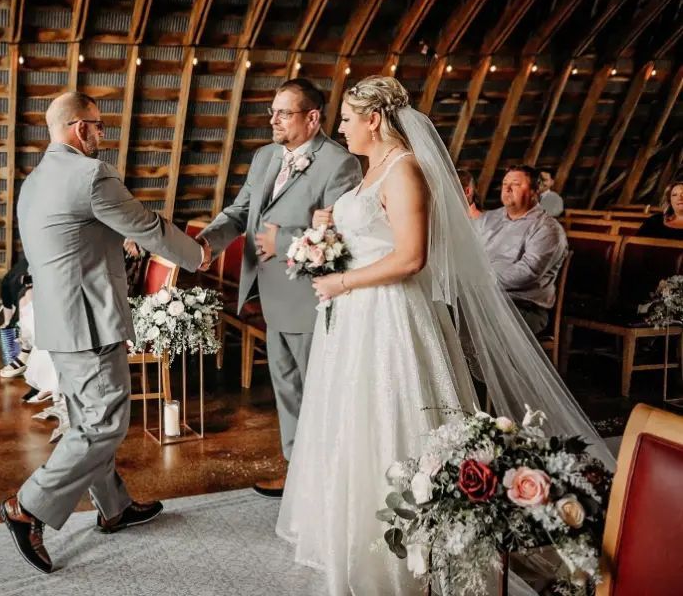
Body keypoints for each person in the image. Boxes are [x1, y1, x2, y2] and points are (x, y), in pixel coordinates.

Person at [277, 77, 612, 596]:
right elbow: (372, 237)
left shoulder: (406, 170)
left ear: (374, 120)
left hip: (390, 316)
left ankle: (411, 545)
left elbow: (411, 258)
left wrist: (340, 278)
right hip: (354, 316)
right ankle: (353, 531)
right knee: (350, 420)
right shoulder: (371, 172)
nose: (339, 126)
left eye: (346, 117)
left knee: (393, 416)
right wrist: (328, 233)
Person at [0, 92, 210, 574]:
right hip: (90, 320)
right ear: (77, 128)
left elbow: (76, 237)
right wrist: (197, 256)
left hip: (61, 318)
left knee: (84, 420)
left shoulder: (34, 182)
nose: (102, 134)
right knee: (104, 424)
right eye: (97, 125)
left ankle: (114, 507)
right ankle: (27, 506)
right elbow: (148, 225)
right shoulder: (90, 175)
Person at [198, 78, 361, 498]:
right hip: (267, 293)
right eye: (272, 111)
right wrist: (208, 242)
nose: (272, 120)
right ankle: (295, 470)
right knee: (286, 389)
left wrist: (283, 242)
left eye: (283, 113)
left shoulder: (340, 164)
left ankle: (327, 484)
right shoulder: (265, 157)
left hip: (309, 299)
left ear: (312, 118)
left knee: (317, 393)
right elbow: (241, 211)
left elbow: (343, 238)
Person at [477, 165, 568, 335]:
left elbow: (528, 271)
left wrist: (479, 283)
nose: (507, 189)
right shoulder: (488, 218)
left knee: (463, 320)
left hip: (521, 307)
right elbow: (468, 252)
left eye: (516, 184)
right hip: (481, 297)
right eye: (504, 184)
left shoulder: (547, 229)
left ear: (535, 191)